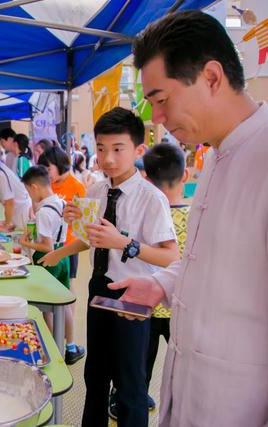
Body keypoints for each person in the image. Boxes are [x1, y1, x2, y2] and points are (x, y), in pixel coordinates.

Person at [108, 11, 268, 426]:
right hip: (192, 394)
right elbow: (209, 262)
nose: (155, 117)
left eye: (160, 99)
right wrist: (160, 284)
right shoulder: (215, 158)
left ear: (211, 77)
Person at [40, 107, 179, 427]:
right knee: (96, 376)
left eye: (118, 149)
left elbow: (171, 257)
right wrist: (61, 251)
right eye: (101, 148)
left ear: (138, 150)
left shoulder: (151, 198)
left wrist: (124, 243)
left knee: (131, 383)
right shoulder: (96, 190)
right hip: (98, 288)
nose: (108, 158)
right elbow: (95, 239)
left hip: (134, 294)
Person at [107, 142, 190, 419]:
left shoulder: (146, 209)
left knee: (139, 364)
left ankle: (130, 398)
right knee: (182, 365)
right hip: (179, 305)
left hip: (146, 304)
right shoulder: (194, 219)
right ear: (185, 176)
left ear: (145, 176)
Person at [19, 165, 85, 365]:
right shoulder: (60, 202)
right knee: (63, 303)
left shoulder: (43, 213)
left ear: (34, 187)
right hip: (63, 255)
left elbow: (46, 246)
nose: (29, 195)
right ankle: (71, 347)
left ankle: (51, 347)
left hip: (48, 260)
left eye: (28, 191)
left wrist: (24, 242)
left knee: (46, 308)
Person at [37, 146, 88, 365]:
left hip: (67, 248)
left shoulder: (77, 187)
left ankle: (68, 338)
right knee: (52, 296)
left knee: (68, 291)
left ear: (59, 164)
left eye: (48, 167)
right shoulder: (52, 185)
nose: (46, 173)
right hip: (53, 247)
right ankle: (61, 337)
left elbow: (83, 224)